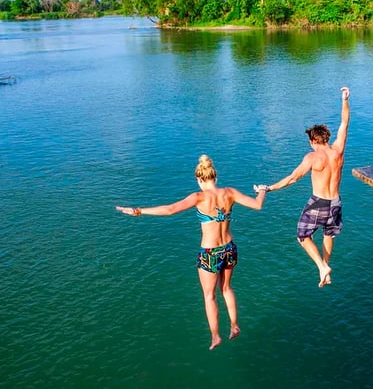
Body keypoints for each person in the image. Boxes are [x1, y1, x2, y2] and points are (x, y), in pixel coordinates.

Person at [116, 155, 267, 350]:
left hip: (210, 252)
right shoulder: (230, 193)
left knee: (209, 296)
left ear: (200, 179)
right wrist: (262, 191)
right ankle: (234, 325)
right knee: (227, 289)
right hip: (229, 248)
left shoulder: (198, 197)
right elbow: (258, 204)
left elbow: (170, 209)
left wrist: (138, 211)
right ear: (215, 177)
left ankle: (215, 336)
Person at [256, 87, 350, 288]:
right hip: (336, 202)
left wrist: (268, 188)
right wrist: (344, 100)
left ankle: (321, 267)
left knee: (303, 236)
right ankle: (326, 266)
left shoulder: (312, 157)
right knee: (329, 234)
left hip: (319, 202)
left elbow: (292, 179)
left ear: (314, 140)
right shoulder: (338, 150)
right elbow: (344, 123)